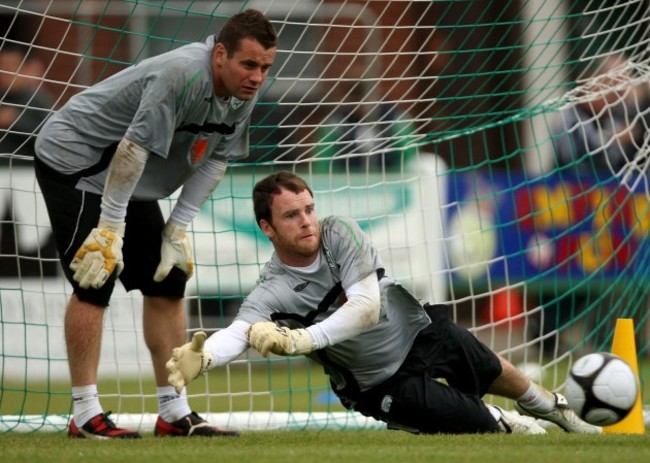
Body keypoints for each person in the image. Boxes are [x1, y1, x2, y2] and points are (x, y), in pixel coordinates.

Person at [166, 171, 601, 435]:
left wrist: (300, 340)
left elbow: (367, 307)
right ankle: (507, 420)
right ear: (267, 227)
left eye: (309, 209)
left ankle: (554, 408)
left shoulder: (340, 232)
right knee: (495, 427)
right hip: (379, 384)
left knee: (498, 372)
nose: (307, 222)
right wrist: (205, 359)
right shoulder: (271, 288)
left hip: (415, 331)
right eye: (291, 215)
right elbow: (240, 332)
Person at [33, 9, 277, 439]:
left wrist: (176, 229)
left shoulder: (244, 90)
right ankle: (85, 415)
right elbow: (132, 149)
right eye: (249, 64)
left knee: (170, 279)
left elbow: (216, 157)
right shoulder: (181, 74)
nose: (257, 77)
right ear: (220, 54)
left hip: (126, 170)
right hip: (74, 159)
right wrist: (109, 230)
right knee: (96, 274)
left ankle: (174, 412)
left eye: (265, 67)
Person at [313, 60, 417, 172]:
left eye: (367, 97)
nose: (362, 104)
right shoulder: (336, 124)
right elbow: (322, 163)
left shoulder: (395, 120)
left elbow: (410, 159)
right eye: (356, 98)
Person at [0, 45, 55, 160]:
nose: (5, 72)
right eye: (2, 67)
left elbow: (54, 136)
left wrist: (16, 120)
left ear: (24, 70)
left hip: (28, 169)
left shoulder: (37, 100)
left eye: (11, 67)